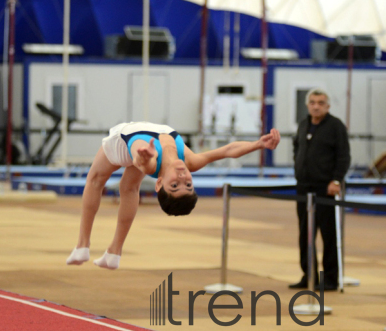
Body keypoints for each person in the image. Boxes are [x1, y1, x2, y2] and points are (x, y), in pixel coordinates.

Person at [66, 121, 280, 270]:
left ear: (159, 182)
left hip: (123, 144)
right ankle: (114, 253)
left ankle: (82, 245)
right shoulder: (191, 162)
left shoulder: (150, 162)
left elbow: (145, 163)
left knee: (95, 181)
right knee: (128, 188)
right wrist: (258, 145)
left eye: (175, 184)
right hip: (144, 148)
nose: (182, 175)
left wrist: (146, 157)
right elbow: (228, 151)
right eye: (188, 183)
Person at [289, 89, 350, 291]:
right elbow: (296, 148)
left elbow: (343, 155)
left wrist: (336, 179)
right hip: (303, 187)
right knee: (305, 234)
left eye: (321, 102)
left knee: (328, 234)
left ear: (328, 106)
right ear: (308, 105)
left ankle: (331, 278)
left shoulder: (335, 126)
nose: (316, 106)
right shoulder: (303, 124)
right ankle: (309, 275)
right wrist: (297, 166)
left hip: (326, 189)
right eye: (313, 102)